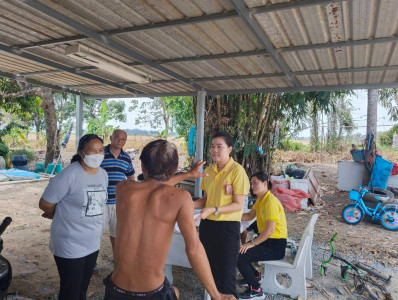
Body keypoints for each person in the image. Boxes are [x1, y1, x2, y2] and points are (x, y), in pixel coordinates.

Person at [103, 139, 235, 300]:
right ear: (174, 170)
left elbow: (154, 185)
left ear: (143, 166)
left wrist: (187, 175)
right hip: (152, 293)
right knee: (175, 292)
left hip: (117, 290)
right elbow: (193, 248)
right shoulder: (181, 198)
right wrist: (216, 295)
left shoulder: (123, 189)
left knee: (174, 291)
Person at [39, 134, 108, 300]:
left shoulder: (103, 174)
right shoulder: (69, 175)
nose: (97, 154)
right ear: (81, 152)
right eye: (92, 150)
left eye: (101, 150)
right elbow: (45, 203)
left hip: (92, 242)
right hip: (69, 243)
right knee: (70, 290)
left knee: (82, 290)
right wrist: (57, 213)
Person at [194, 131, 250, 299]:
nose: (215, 150)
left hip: (227, 228)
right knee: (210, 272)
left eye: (220, 147)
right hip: (208, 226)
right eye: (212, 146)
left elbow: (238, 205)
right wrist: (186, 204)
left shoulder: (237, 171)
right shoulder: (209, 170)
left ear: (230, 149)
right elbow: (206, 200)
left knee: (226, 277)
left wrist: (214, 210)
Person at [237, 172, 287, 300]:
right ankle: (256, 277)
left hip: (275, 245)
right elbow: (249, 216)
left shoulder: (270, 202)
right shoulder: (261, 199)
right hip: (268, 242)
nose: (252, 185)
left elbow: (270, 230)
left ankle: (256, 290)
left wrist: (251, 243)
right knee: (241, 252)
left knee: (239, 256)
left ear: (265, 183)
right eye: (251, 182)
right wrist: (229, 217)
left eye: (255, 182)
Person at [101, 129, 135, 255]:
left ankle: (117, 261)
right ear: (111, 138)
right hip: (101, 202)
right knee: (94, 233)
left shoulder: (126, 157)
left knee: (116, 234)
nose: (120, 141)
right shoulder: (101, 153)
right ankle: (91, 262)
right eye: (117, 138)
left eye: (123, 139)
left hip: (119, 203)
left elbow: (131, 177)